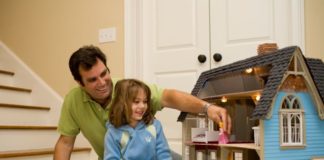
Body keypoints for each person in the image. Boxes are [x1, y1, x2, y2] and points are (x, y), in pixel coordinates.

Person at [54, 45, 231, 160]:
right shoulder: (73, 101)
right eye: (92, 80)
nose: (102, 83)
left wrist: (207, 107)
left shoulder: (129, 90)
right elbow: (65, 143)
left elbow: (169, 97)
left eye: (104, 74)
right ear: (80, 83)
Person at [104, 79, 171, 160]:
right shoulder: (113, 132)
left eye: (145, 101)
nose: (142, 106)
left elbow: (164, 154)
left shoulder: (155, 126)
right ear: (122, 104)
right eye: (136, 101)